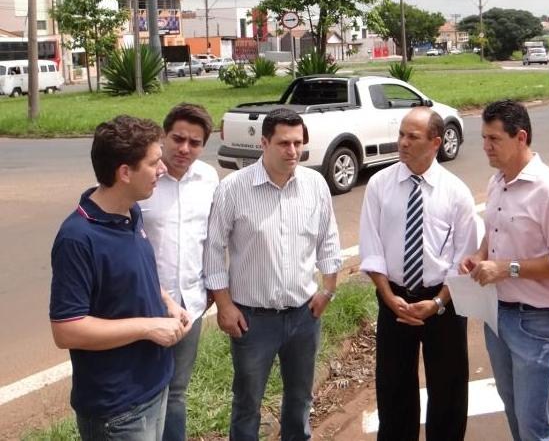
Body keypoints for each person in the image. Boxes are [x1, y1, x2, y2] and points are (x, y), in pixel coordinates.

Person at [50, 115, 191, 441]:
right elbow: (66, 329)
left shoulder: (131, 211)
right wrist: (148, 326)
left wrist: (165, 299)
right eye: (154, 163)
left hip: (154, 384)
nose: (164, 169)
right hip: (118, 409)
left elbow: (132, 274)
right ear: (124, 172)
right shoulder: (77, 238)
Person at [204, 108, 342, 441]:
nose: (292, 151)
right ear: (264, 142)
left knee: (300, 397)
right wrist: (224, 306)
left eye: (298, 143)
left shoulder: (315, 185)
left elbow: (329, 239)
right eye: (283, 143)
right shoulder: (233, 189)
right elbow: (212, 250)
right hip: (252, 320)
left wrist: (328, 289)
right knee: (248, 401)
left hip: (303, 315)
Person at [460, 100, 549, 441]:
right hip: (498, 314)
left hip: (537, 323)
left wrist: (505, 269)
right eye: (483, 138)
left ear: (521, 137)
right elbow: (495, 230)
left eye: (494, 139)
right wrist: (480, 254)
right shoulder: (499, 181)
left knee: (534, 425)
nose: (485, 147)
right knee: (513, 410)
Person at [359, 108, 478, 441]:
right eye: (401, 134)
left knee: (448, 390)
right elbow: (372, 247)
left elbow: (463, 259)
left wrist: (438, 302)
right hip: (394, 299)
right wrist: (388, 297)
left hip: (443, 303)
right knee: (393, 389)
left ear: (435, 142)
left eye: (412, 137)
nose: (403, 143)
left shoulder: (456, 192)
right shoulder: (380, 185)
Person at [139, 103, 219, 441]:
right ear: (163, 136)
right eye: (178, 139)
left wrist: (215, 289)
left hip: (191, 305)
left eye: (195, 142)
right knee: (141, 392)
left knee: (177, 390)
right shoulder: (142, 178)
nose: (185, 149)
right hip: (143, 304)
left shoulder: (209, 178)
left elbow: (214, 240)